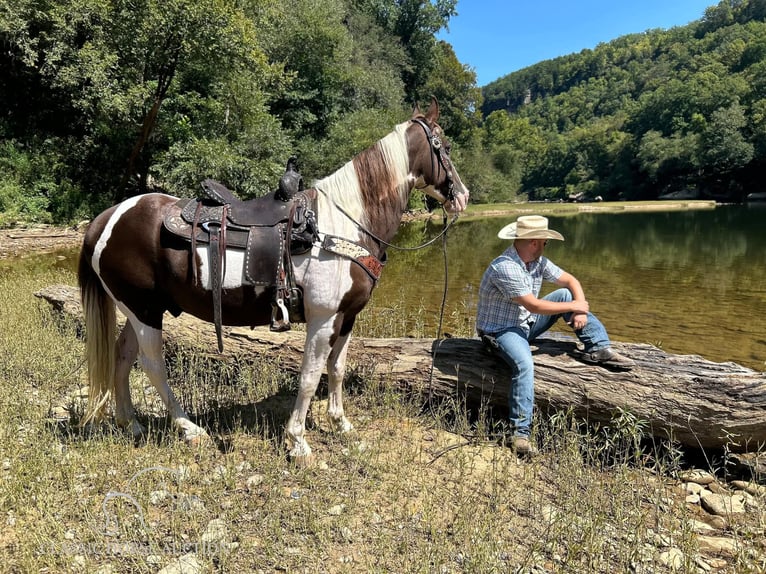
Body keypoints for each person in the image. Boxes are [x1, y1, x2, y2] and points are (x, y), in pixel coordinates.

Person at [476, 215, 634, 455]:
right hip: (500, 331)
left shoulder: (538, 262)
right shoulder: (504, 267)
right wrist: (574, 308)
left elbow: (570, 280)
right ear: (535, 242)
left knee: (564, 294)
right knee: (524, 365)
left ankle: (599, 348)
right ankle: (520, 434)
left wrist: (578, 303)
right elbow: (534, 306)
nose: (545, 246)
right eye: (545, 242)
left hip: (524, 324)